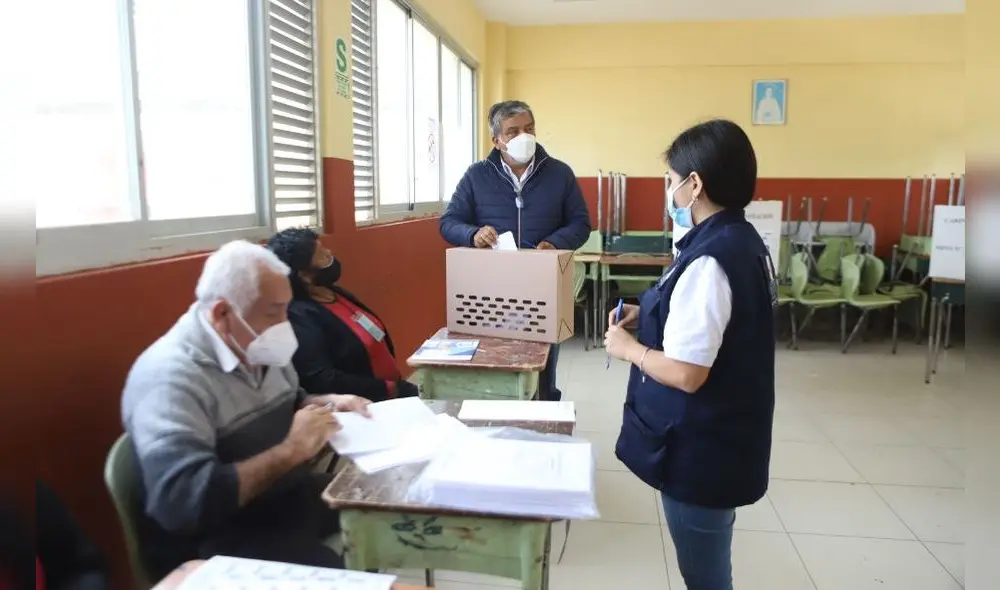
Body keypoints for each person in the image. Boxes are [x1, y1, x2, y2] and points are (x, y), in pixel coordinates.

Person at [121, 240, 373, 581]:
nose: (284, 325)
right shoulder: (169, 380)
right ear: (222, 314)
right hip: (216, 538)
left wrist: (326, 403)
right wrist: (292, 450)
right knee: (339, 578)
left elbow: (290, 400)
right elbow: (184, 504)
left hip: (280, 499)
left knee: (381, 500)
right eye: (273, 313)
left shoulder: (256, 344)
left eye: (286, 309)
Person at [604, 119, 776, 590]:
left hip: (702, 452)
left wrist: (629, 349)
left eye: (671, 180)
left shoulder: (711, 259)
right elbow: (712, 320)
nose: (670, 191)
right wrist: (647, 313)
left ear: (694, 184)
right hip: (727, 437)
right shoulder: (738, 239)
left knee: (705, 575)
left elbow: (687, 373)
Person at [439, 100, 592, 401]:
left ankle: (545, 409)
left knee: (542, 367)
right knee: (496, 362)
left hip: (543, 288)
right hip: (491, 291)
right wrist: (473, 234)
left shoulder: (559, 174)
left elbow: (581, 224)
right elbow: (449, 223)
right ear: (496, 140)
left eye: (529, 129)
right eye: (513, 131)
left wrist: (555, 243)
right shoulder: (477, 175)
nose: (524, 137)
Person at [266, 228, 418, 402]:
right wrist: (388, 389)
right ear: (305, 276)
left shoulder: (332, 292)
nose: (330, 253)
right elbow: (322, 378)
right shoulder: (299, 317)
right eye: (322, 255)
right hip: (363, 404)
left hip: (391, 393)